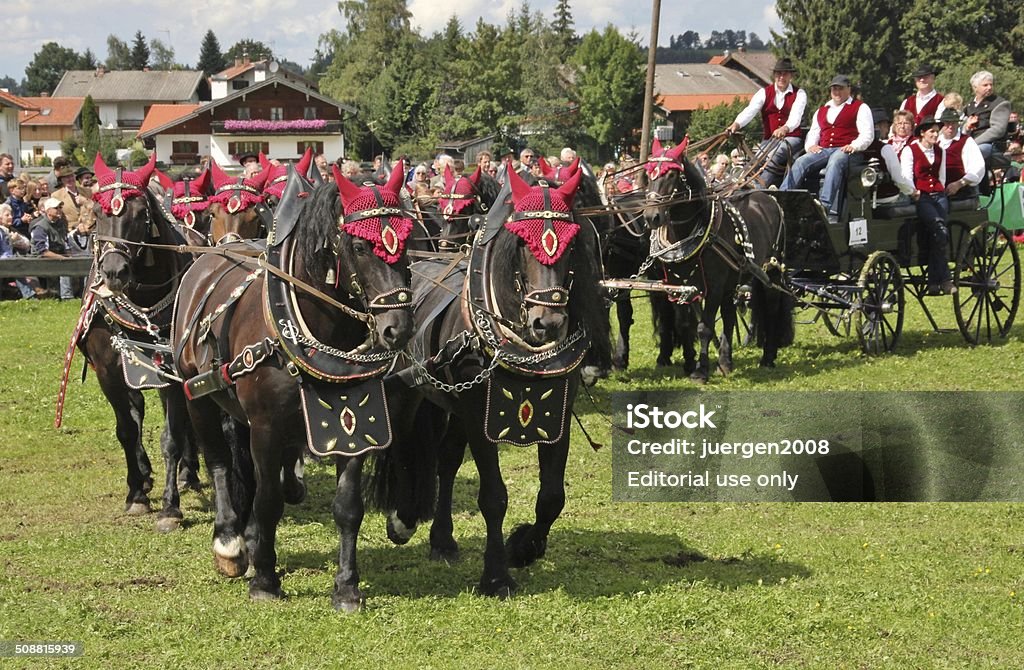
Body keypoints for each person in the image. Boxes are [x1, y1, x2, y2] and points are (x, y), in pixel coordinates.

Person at [780, 74, 873, 223]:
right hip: (824, 149)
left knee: (835, 161)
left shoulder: (860, 107)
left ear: (848, 89)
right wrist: (810, 146)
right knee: (801, 161)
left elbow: (867, 134)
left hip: (849, 151)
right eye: (834, 89)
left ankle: (824, 205)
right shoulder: (822, 110)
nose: (836, 92)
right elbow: (813, 133)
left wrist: (854, 145)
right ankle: (782, 197)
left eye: (840, 89)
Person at [726, 57, 807, 188]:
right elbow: (750, 110)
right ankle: (741, 185)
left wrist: (785, 128)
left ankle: (759, 187)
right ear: (774, 75)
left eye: (785, 73)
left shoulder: (800, 94)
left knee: (773, 155)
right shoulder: (764, 92)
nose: (781, 77)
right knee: (755, 158)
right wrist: (737, 124)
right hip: (770, 140)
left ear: (791, 75)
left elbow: (795, 117)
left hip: (792, 139)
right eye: (779, 73)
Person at [900, 116, 954, 295]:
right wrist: (913, 192)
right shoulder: (911, 150)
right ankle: (944, 279)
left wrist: (941, 190)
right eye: (931, 131)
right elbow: (906, 175)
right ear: (922, 133)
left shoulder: (940, 151)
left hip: (938, 195)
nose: (935, 134)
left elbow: (942, 175)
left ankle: (933, 282)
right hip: (921, 196)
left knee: (938, 235)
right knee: (939, 230)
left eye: (936, 131)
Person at [30, 198, 75, 300]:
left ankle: (76, 293)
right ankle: (67, 296)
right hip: (39, 259)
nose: (59, 210)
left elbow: (66, 243)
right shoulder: (40, 227)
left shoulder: (60, 224)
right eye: (56, 208)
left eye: (60, 208)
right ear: (48, 211)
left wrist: (69, 256)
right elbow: (43, 251)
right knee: (65, 266)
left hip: (57, 255)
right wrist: (63, 258)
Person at [963, 70, 1011, 160]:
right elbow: (961, 125)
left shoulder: (1000, 103)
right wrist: (966, 127)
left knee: (975, 152)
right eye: (985, 85)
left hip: (991, 144)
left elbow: (997, 130)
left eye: (991, 84)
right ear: (975, 87)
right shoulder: (969, 106)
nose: (989, 87)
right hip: (970, 142)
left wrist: (973, 143)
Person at [937, 108, 985, 198]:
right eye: (947, 123)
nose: (950, 126)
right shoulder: (936, 142)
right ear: (942, 125)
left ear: (958, 124)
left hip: (959, 192)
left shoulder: (967, 141)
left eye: (953, 123)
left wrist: (959, 184)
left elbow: (978, 168)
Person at [52, 165, 96, 232]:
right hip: (69, 231)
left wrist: (85, 201)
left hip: (88, 229)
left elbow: (95, 208)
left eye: (71, 176)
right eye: (66, 177)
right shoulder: (56, 195)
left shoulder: (88, 192)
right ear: (61, 180)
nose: (70, 179)